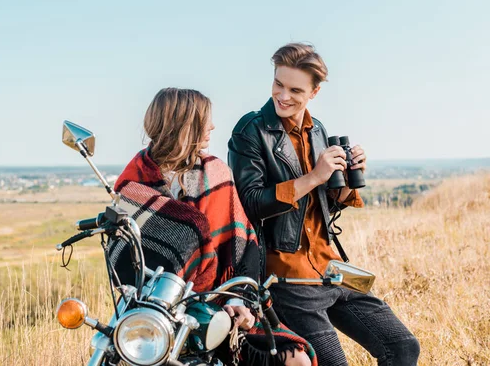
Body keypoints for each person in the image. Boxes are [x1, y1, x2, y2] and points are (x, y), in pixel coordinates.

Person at [227, 43, 420, 365]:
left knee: (402, 347)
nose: (283, 96)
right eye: (278, 84)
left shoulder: (318, 131)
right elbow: (251, 204)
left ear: (314, 92)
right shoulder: (251, 130)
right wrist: (315, 176)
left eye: (295, 90)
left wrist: (348, 177)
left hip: (331, 269)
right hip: (288, 277)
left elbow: (322, 207)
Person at [111, 87, 315, 366]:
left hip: (221, 307)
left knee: (297, 360)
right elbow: (121, 254)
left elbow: (245, 245)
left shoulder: (215, 173)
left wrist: (240, 299)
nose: (212, 126)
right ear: (183, 126)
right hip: (155, 313)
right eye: (205, 120)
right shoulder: (135, 184)